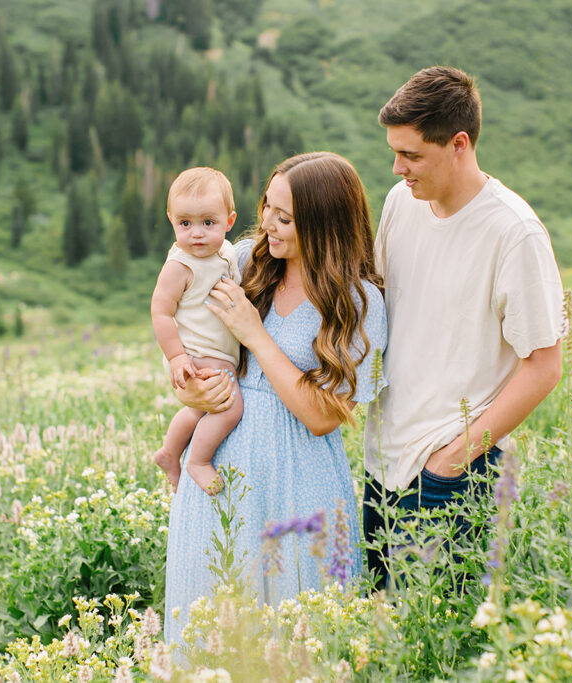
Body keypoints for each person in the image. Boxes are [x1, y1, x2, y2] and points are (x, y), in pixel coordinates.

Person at [164, 152, 387, 645]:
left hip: (300, 477)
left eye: (284, 217)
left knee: (301, 630)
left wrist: (255, 335)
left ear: (324, 224)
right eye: (268, 205)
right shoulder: (242, 261)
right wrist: (189, 383)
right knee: (213, 622)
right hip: (222, 468)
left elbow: (322, 416)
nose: (266, 222)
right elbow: (185, 336)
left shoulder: (358, 302)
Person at [363, 66, 566, 590]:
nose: (396, 168)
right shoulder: (399, 206)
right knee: (380, 637)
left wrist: (455, 459)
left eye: (410, 155)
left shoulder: (514, 232)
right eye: (394, 152)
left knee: (441, 646)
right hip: (380, 464)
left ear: (458, 144)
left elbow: (544, 366)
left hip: (449, 476)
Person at [151, 167, 244, 495]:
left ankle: (169, 452)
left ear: (229, 221)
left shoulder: (229, 251)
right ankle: (198, 461)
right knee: (230, 407)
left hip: (217, 352)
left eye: (209, 223)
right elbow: (161, 311)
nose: (197, 234)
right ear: (171, 219)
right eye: (185, 224)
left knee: (197, 408)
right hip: (199, 353)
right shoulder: (180, 266)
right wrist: (176, 357)